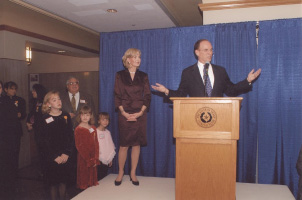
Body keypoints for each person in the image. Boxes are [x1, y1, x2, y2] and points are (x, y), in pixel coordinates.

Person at [151, 39, 261, 97]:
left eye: (211, 50)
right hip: (196, 116)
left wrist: (247, 81)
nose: (210, 53)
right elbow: (181, 94)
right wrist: (166, 91)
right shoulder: (188, 72)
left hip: (219, 115)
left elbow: (231, 91)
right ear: (197, 52)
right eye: (206, 50)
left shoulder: (220, 71)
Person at [114, 48, 151, 186]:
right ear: (128, 59)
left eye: (139, 57)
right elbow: (117, 95)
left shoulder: (143, 76)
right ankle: (120, 172)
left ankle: (133, 172)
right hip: (124, 112)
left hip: (140, 113)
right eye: (135, 56)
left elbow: (147, 96)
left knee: (136, 144)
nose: (138, 59)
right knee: (124, 145)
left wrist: (140, 113)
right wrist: (124, 113)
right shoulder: (119, 75)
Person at [39, 91, 74, 200]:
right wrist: (54, 156)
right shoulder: (44, 119)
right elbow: (43, 141)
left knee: (63, 182)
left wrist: (66, 153)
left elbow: (70, 136)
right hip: (51, 157)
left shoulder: (66, 115)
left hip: (64, 156)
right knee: (53, 184)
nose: (58, 102)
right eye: (54, 100)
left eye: (59, 99)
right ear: (48, 104)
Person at [74, 105, 100, 189]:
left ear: (90, 116)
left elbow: (96, 143)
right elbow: (79, 146)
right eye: (83, 115)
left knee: (92, 180)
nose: (85, 117)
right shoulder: (78, 129)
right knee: (84, 178)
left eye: (87, 115)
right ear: (80, 116)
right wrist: (88, 159)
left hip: (93, 158)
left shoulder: (93, 128)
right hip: (84, 158)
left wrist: (95, 158)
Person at [26, 84, 48, 175]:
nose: (32, 92)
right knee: (41, 152)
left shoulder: (46, 102)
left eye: (34, 91)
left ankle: (46, 171)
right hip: (38, 132)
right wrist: (29, 122)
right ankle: (43, 170)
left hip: (45, 132)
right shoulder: (36, 102)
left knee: (46, 152)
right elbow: (32, 113)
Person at [96, 112, 116, 180]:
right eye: (103, 119)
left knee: (103, 176)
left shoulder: (108, 132)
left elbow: (110, 146)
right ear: (99, 121)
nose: (105, 122)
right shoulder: (94, 131)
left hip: (105, 160)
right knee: (98, 177)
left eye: (107, 120)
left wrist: (110, 158)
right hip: (97, 159)